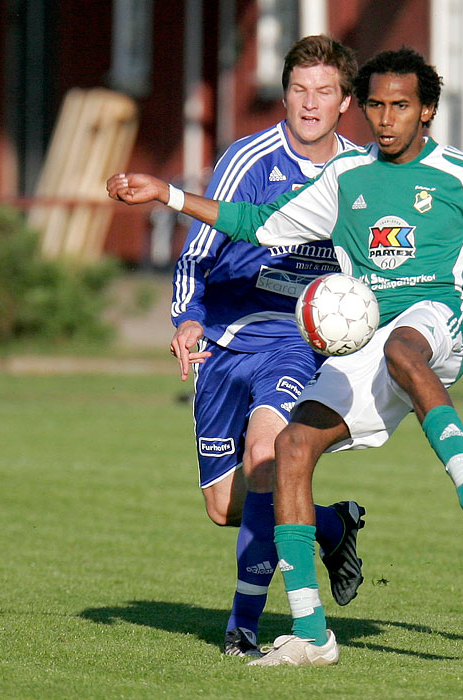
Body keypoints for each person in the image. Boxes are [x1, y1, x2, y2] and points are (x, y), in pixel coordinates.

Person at [107, 47, 463, 667]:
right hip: (343, 335)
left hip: (439, 317)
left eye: (399, 106)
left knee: (402, 351)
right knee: (288, 455)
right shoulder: (346, 177)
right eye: (377, 105)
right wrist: (168, 193)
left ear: (426, 111)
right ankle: (311, 634)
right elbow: (260, 223)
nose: (385, 118)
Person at [167, 36, 365, 658]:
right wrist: (187, 319)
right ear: (284, 96)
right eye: (300, 90)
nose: (311, 104)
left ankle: (242, 628)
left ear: (345, 102)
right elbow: (199, 248)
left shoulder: (360, 175)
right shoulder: (246, 159)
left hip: (295, 345)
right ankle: (333, 526)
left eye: (324, 92)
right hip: (225, 340)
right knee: (226, 508)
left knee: (266, 456)